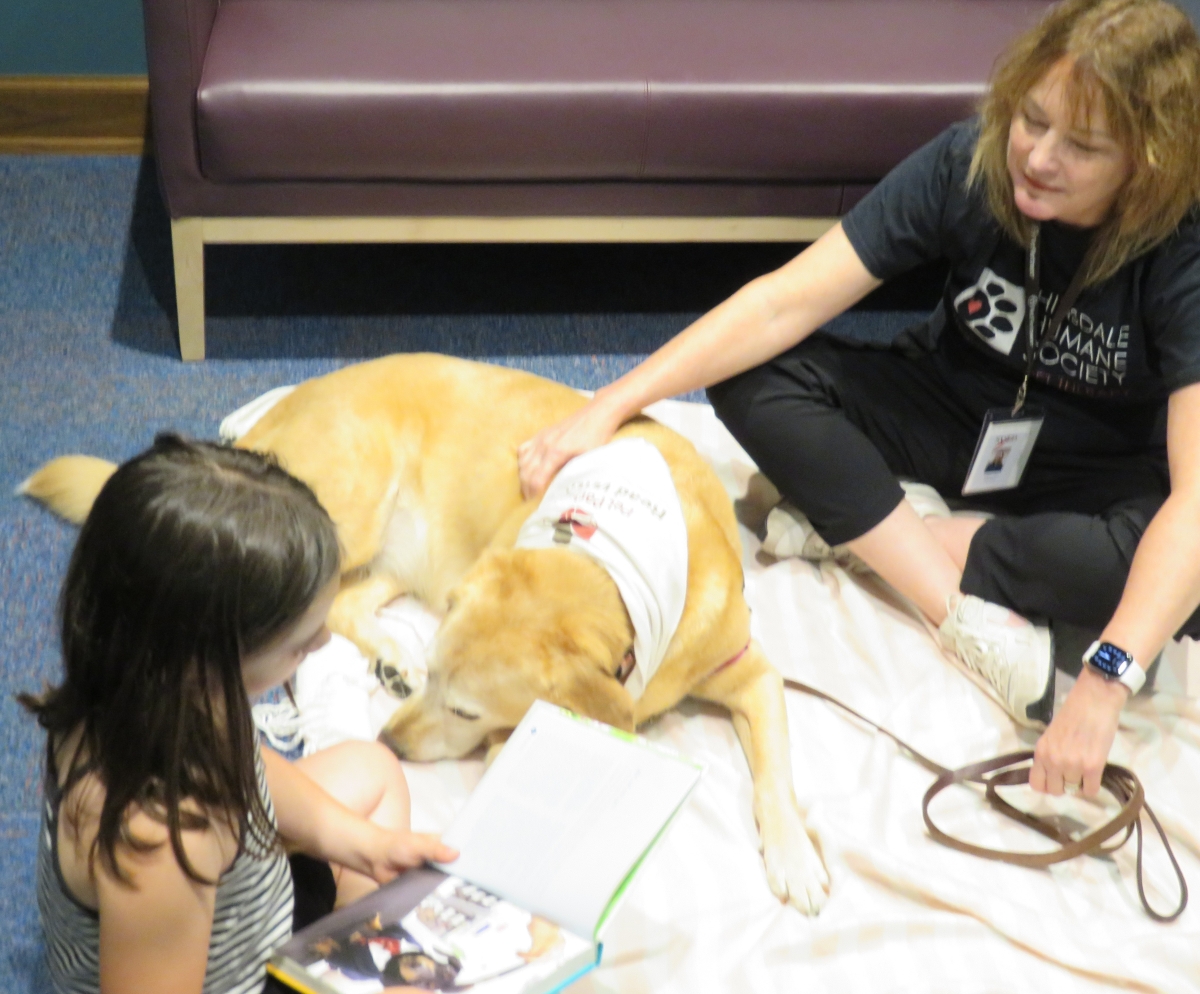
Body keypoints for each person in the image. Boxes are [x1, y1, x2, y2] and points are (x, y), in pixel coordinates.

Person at [517, 0, 1200, 802]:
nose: (1038, 159)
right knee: (757, 374)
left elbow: (1194, 498)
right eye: (1032, 119)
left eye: (1082, 147)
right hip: (946, 406)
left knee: (1165, 573)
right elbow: (783, 304)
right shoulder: (969, 162)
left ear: (1148, 162)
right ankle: (949, 600)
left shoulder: (1181, 245)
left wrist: (1108, 675)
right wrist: (608, 401)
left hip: (1091, 469)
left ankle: (867, 528)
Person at [19, 434, 456, 994]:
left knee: (372, 769)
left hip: (247, 905)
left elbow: (250, 765)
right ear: (211, 662)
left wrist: (363, 846)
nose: (324, 644)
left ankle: (352, 948)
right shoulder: (164, 841)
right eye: (299, 643)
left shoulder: (156, 691)